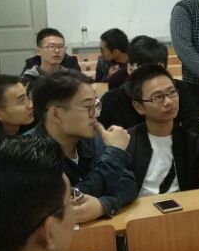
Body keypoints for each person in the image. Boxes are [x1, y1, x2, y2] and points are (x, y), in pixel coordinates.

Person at [28, 71, 137, 223]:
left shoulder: (90, 138)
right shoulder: (28, 153)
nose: (96, 114)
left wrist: (102, 205)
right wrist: (115, 154)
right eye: (88, 107)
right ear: (55, 114)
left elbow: (128, 182)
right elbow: (64, 204)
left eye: (96, 105)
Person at [127, 65, 199, 196]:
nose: (168, 102)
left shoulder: (194, 143)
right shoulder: (126, 143)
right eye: (158, 97)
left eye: (172, 92)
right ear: (139, 107)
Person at [98, 35, 199, 138]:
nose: (153, 79)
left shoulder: (179, 89)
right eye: (146, 72)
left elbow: (197, 126)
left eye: (158, 71)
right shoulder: (112, 100)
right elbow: (100, 138)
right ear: (130, 69)